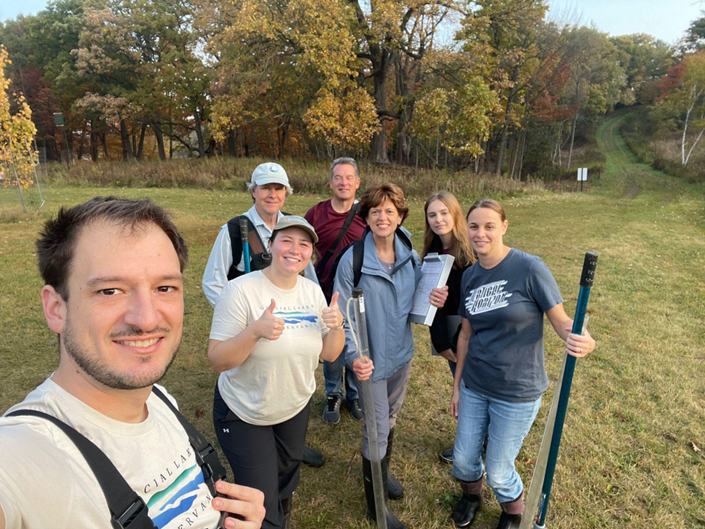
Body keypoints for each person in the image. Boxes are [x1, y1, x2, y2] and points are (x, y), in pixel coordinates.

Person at [0, 197, 266, 529]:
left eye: (164, 287)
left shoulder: (159, 400)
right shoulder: (25, 456)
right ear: (56, 308)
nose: (146, 318)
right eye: (110, 291)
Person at [449, 198, 596, 529]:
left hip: (517, 391)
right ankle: (471, 496)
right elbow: (465, 336)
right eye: (474, 226)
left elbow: (560, 322)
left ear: (504, 226)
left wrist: (581, 335)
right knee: (463, 460)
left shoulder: (529, 268)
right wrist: (457, 387)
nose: (480, 233)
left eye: (489, 226)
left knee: (499, 469)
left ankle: (514, 512)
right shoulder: (470, 276)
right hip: (475, 384)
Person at [208, 216, 345, 529]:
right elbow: (218, 360)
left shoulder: (312, 292)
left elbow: (330, 353)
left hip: (293, 406)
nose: (295, 249)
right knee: (259, 499)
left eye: (304, 244)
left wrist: (337, 327)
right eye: (287, 240)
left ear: (311, 252)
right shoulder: (240, 290)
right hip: (245, 410)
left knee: (286, 477)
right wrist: (254, 331)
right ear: (271, 245)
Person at [334, 184, 448, 529]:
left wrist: (434, 296)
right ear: (366, 218)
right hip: (369, 364)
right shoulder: (352, 261)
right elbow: (339, 316)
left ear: (400, 217)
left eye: (389, 211)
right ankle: (376, 506)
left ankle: (382, 475)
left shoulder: (411, 255)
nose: (382, 217)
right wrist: (352, 358)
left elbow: (415, 300)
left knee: (390, 420)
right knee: (376, 430)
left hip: (401, 356)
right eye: (375, 211)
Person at [202, 162, 325, 468]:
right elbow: (212, 281)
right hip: (250, 331)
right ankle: (260, 444)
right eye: (266, 188)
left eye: (278, 188)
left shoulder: (294, 228)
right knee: (255, 384)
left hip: (290, 326)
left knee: (286, 381)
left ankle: (289, 444)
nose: (272, 194)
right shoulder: (234, 229)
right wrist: (241, 319)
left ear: (286, 193)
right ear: (253, 191)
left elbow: (306, 277)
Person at [304, 157, 367, 424]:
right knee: (331, 341)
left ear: (357, 183)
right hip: (324, 290)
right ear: (330, 182)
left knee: (357, 339)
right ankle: (333, 393)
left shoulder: (367, 214)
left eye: (348, 178)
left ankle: (354, 393)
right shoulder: (315, 214)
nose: (343, 183)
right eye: (338, 178)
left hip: (359, 292)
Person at [421, 191, 476, 464]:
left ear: (455, 215)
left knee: (472, 390)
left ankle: (473, 447)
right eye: (432, 214)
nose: (438, 219)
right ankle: (469, 443)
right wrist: (441, 343)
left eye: (444, 213)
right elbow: (432, 304)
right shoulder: (431, 254)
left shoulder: (472, 253)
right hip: (449, 334)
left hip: (473, 334)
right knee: (462, 388)